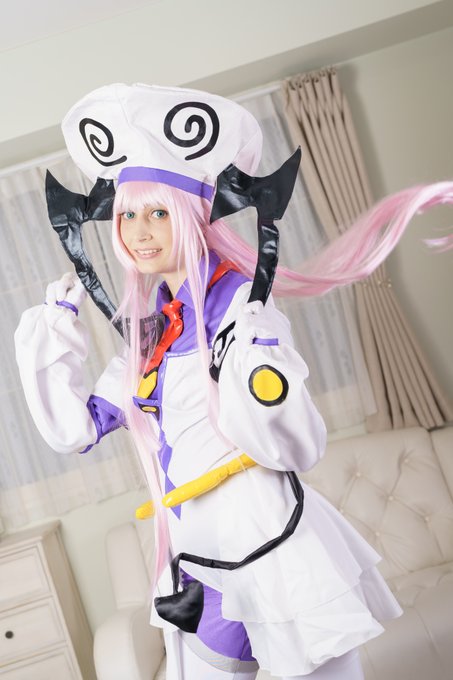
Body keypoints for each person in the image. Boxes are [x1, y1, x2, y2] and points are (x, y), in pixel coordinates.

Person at [14, 83, 451, 680]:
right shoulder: (153, 331)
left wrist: (256, 358)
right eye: (128, 214)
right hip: (197, 553)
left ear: (192, 215)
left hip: (265, 539)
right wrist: (52, 338)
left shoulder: (242, 307)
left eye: (158, 212)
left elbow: (295, 445)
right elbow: (79, 430)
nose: (139, 231)